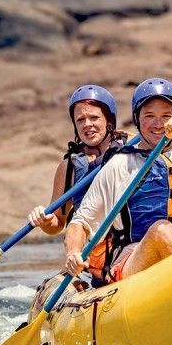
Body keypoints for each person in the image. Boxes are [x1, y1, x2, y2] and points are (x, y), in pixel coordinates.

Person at [65, 78, 172, 283]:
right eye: (149, 116)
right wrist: (73, 254)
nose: (158, 124)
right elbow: (80, 222)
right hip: (137, 257)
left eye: (166, 116)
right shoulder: (120, 164)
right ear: (137, 119)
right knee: (161, 231)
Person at [27, 84, 127, 235]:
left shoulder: (132, 149)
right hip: (93, 251)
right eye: (80, 120)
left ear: (109, 120)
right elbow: (57, 223)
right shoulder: (69, 167)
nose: (87, 124)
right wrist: (45, 221)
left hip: (132, 243)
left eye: (94, 117)